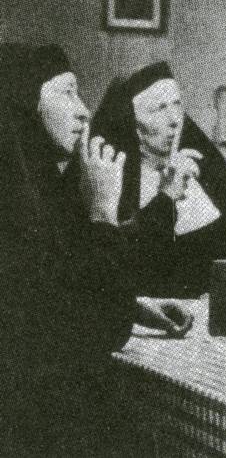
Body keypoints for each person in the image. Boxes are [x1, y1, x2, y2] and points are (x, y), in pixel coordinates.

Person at [0, 44, 193, 456]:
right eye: (67, 93)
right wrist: (103, 210)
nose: (84, 111)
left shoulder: (33, 189)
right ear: (24, 104)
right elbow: (98, 330)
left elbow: (58, 288)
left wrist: (137, 306)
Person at [92, 62, 226, 297]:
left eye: (177, 104)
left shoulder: (199, 174)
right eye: (158, 108)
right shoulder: (112, 184)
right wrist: (166, 197)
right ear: (132, 123)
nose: (175, 119)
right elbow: (127, 272)